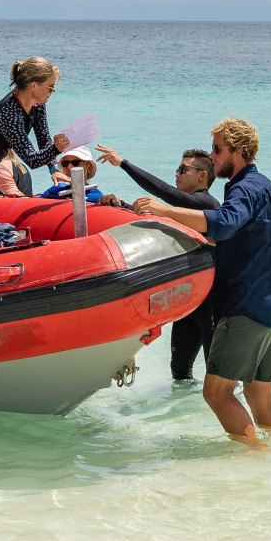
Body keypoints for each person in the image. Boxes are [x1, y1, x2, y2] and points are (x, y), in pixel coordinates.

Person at [135, 118, 271, 447]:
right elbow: (241, 235)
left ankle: (256, 460)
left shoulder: (244, 188)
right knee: (257, 392)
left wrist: (165, 212)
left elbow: (222, 223)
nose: (213, 155)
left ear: (238, 150)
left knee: (216, 393)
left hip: (249, 307)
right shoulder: (265, 186)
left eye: (218, 149)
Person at [97, 144, 220, 381]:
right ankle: (185, 416)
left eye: (183, 169)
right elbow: (153, 218)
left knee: (218, 376)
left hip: (213, 305)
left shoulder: (208, 205)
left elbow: (163, 191)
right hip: (190, 301)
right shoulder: (179, 211)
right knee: (180, 374)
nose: (176, 173)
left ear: (202, 175)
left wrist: (123, 163)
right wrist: (120, 205)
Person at [0, 57, 70, 196]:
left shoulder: (37, 105)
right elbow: (32, 159)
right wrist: (56, 148)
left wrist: (54, 169)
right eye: (50, 87)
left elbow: (44, 139)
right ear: (33, 86)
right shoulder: (8, 114)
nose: (52, 92)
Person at [36, 150, 109, 202]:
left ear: (88, 168)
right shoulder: (55, 189)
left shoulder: (97, 196)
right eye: (65, 163)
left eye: (75, 162)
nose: (69, 167)